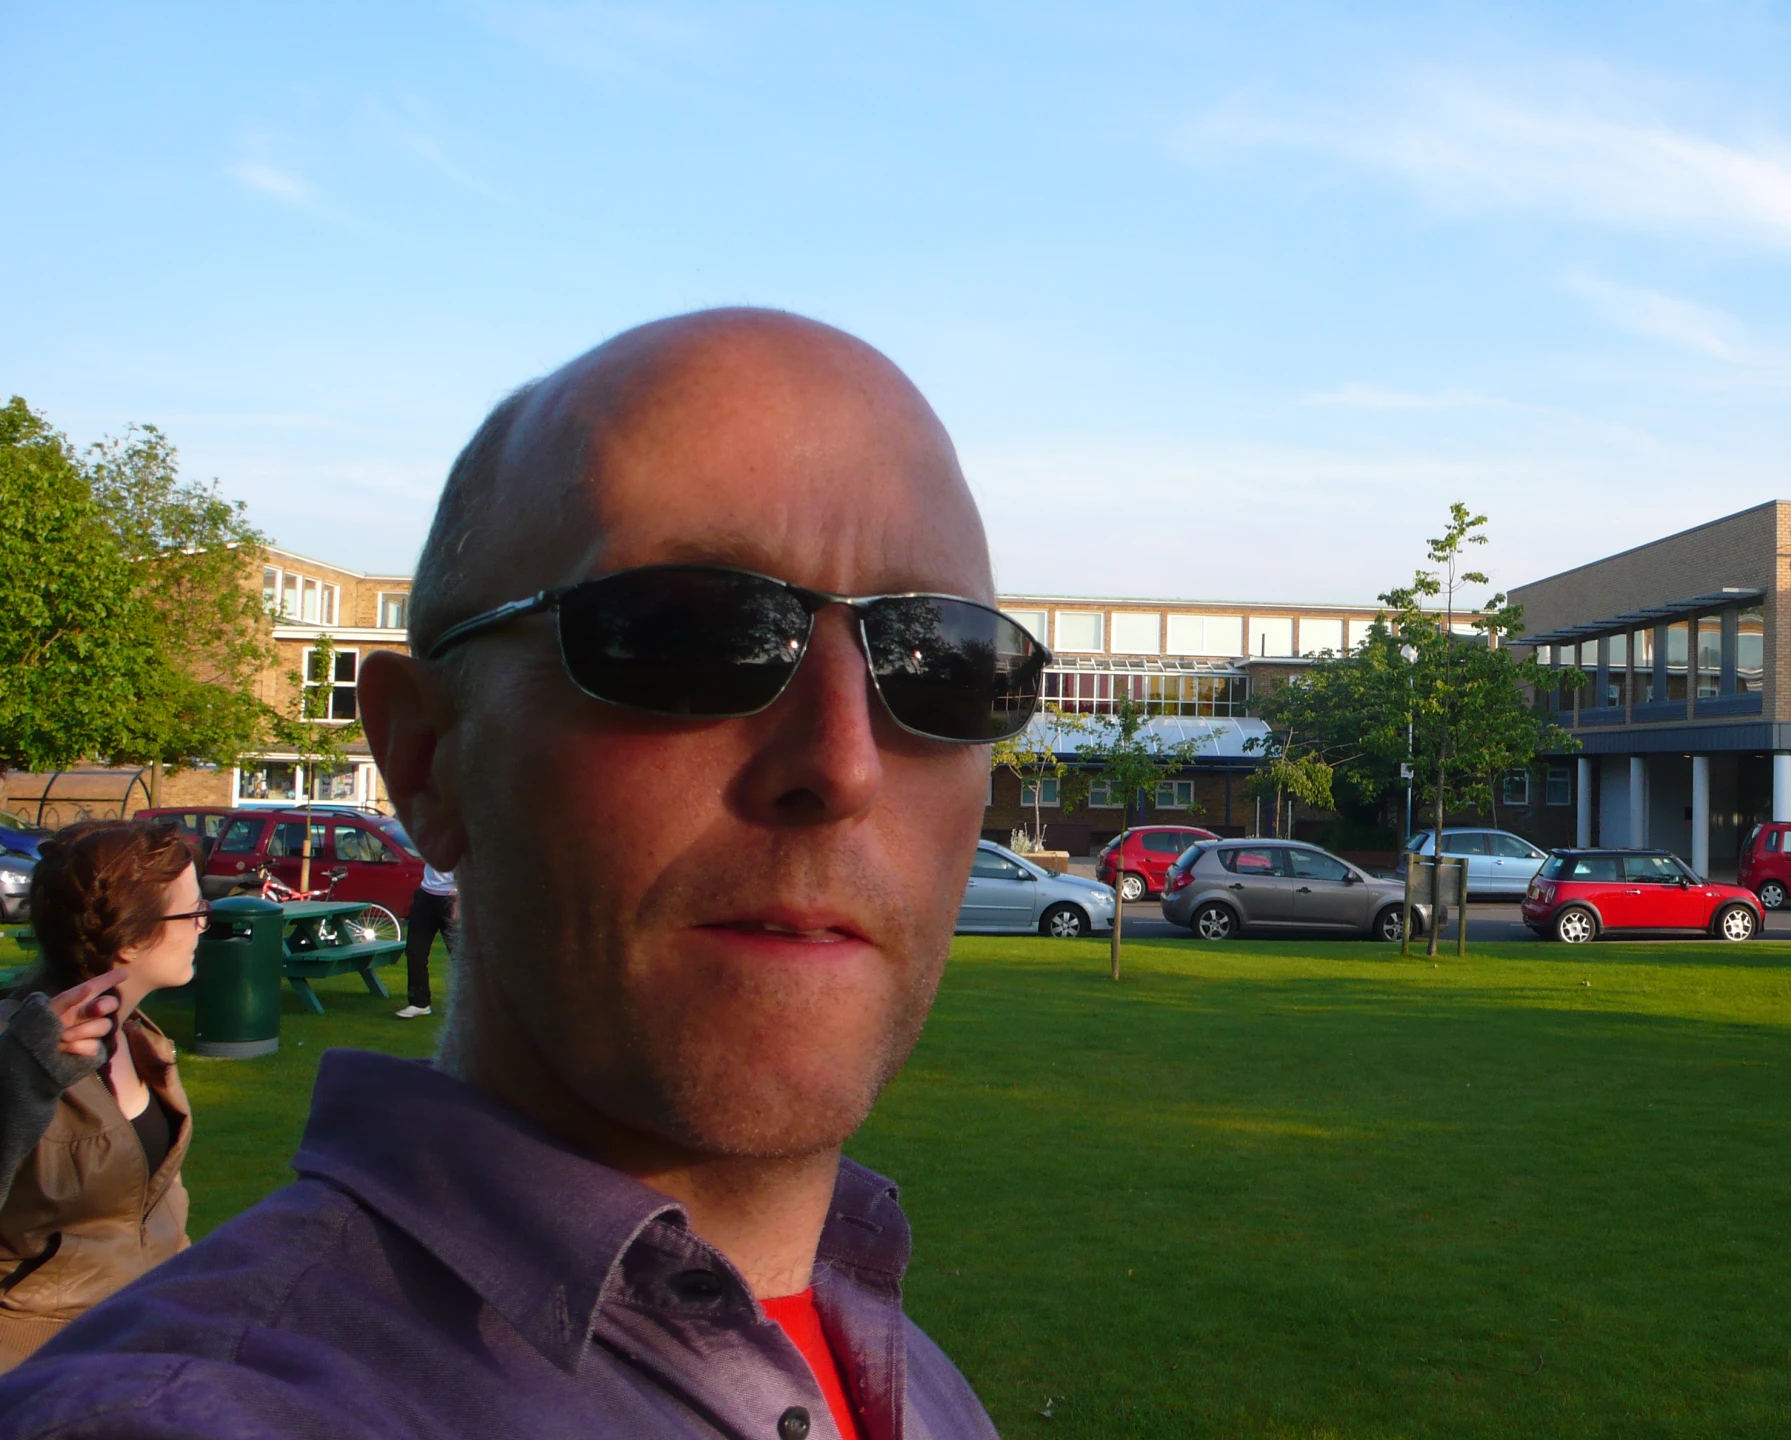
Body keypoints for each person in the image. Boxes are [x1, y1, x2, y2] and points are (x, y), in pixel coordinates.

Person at [0, 310, 1045, 1438]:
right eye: (685, 636)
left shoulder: (913, 1384)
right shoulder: (187, 1417)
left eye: (941, 663)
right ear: (425, 758)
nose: (841, 764)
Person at [0, 821, 204, 1369]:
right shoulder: (16, 1048)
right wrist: (22, 1080)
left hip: (147, 1346)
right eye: (192, 912)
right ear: (132, 938)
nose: (204, 924)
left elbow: (158, 1209)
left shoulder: (141, 1040)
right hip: (37, 1372)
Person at [394, 861, 455, 1019]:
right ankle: (419, 1003)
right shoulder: (433, 840)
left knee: (461, 956)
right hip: (426, 896)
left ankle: (470, 1003)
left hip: (452, 898)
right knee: (415, 952)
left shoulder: (460, 838)